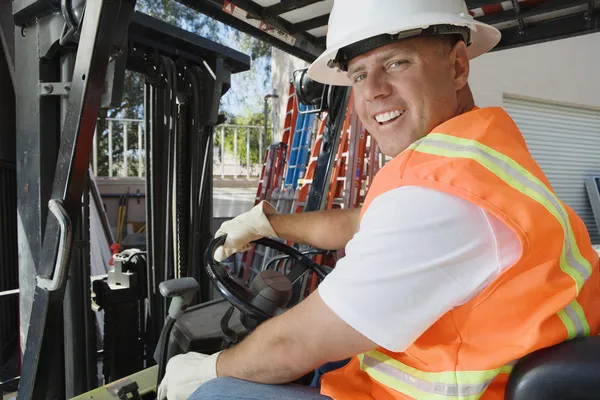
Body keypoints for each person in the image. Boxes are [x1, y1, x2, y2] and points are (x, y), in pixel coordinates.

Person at [158, 0, 600, 399]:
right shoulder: (467, 158)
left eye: (396, 63)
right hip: (459, 372)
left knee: (218, 393)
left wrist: (206, 367)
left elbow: (295, 344)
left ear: (458, 66)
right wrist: (269, 224)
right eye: (358, 75)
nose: (373, 90)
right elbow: (361, 223)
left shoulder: (438, 199)